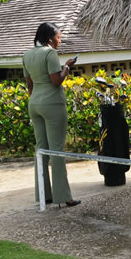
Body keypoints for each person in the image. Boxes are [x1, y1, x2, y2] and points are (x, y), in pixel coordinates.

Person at [23, 22, 81, 207]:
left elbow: (29, 84)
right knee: (57, 150)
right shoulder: (49, 53)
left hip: (34, 104)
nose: (60, 41)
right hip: (52, 104)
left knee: (41, 149)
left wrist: (36, 100)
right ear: (50, 39)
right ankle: (63, 197)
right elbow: (56, 81)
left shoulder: (27, 54)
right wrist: (67, 67)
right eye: (58, 37)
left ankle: (43, 195)